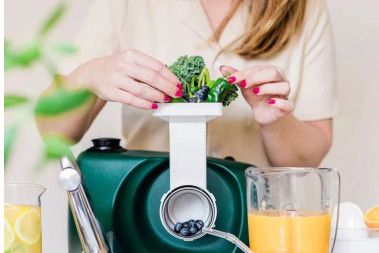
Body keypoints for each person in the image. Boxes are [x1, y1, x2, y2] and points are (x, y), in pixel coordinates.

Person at [36, 0, 338, 167]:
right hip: (147, 213)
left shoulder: (303, 7)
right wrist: (88, 76)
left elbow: (308, 158)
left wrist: (274, 119)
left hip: (252, 221)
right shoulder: (126, 4)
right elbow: (53, 130)